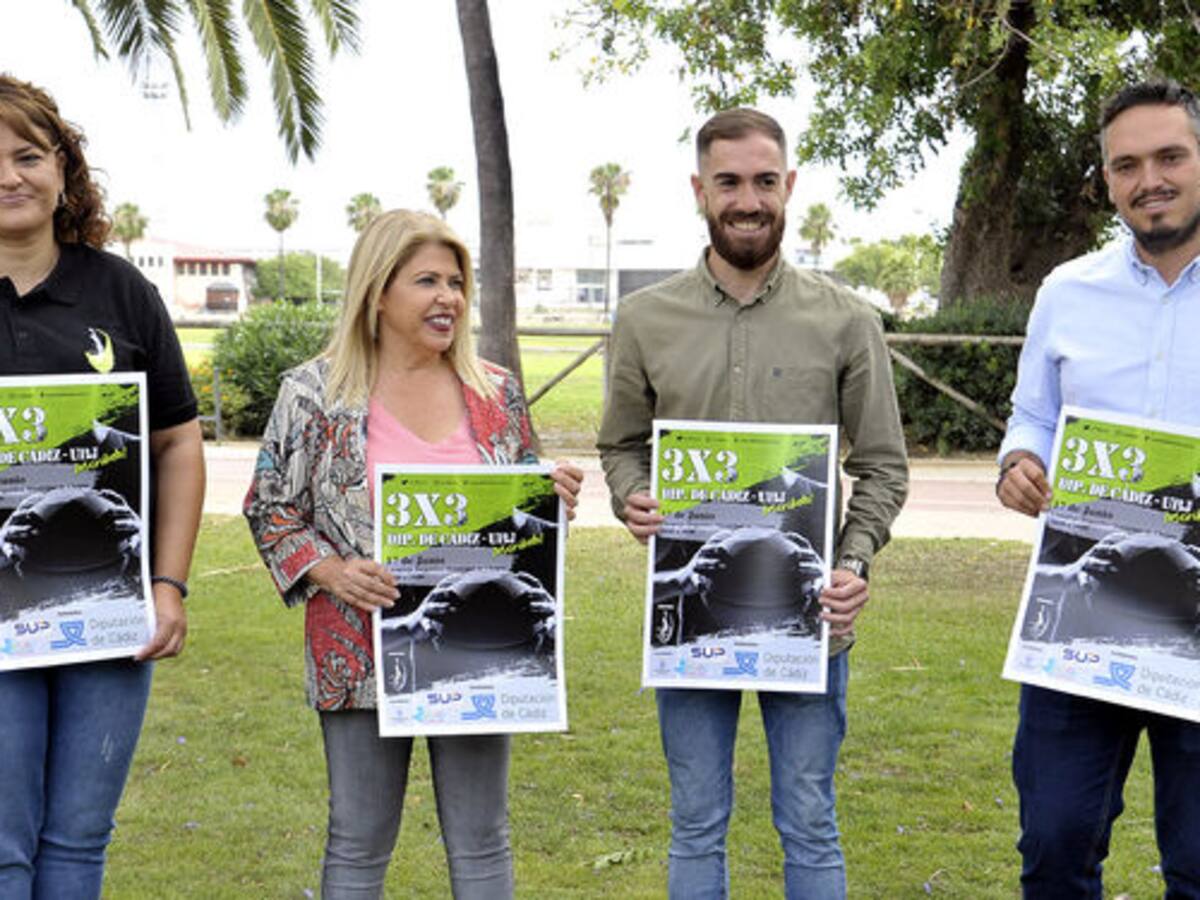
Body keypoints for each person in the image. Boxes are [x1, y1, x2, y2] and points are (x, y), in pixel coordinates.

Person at [597, 108, 908, 899]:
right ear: (699, 190)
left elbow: (880, 465)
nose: (748, 199)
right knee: (696, 820)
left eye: (765, 181)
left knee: (808, 817)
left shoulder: (845, 320)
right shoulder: (644, 319)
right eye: (728, 182)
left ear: (789, 186)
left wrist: (853, 562)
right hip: (692, 617)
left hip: (810, 617)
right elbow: (621, 447)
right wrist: (634, 498)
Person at [244, 209, 583, 899]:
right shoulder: (313, 394)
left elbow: (519, 527)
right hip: (357, 649)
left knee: (483, 838)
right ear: (378, 293)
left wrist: (550, 502)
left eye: (456, 282)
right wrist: (330, 570)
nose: (448, 298)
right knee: (359, 838)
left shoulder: (496, 393)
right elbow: (269, 504)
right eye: (426, 280)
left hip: (480, 644)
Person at [0, 75, 205, 897]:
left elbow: (181, 444)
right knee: (4, 852)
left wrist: (169, 585)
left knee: (80, 844)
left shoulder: (122, 290)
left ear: (63, 170)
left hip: (111, 614)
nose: (11, 177)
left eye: (27, 155)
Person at [996, 79, 1200, 896]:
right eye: (1127, 164)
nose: (1149, 178)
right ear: (1108, 179)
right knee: (1053, 845)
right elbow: (1031, 415)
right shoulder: (1066, 290)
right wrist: (1019, 462)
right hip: (1081, 613)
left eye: (1170, 156)